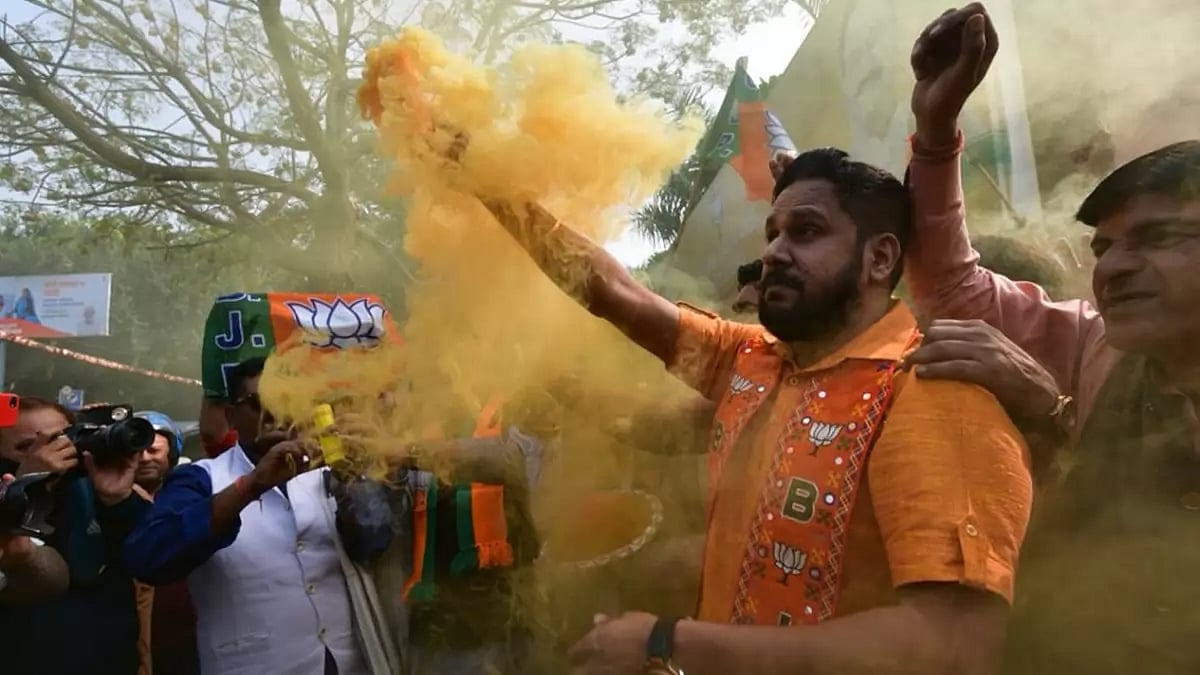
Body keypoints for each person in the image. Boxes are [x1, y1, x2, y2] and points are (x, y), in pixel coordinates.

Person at [465, 141, 1032, 673]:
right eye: (773, 232)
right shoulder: (756, 359)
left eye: (806, 232)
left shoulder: (933, 390)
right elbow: (614, 291)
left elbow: (955, 644)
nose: (773, 253)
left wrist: (668, 639)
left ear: (879, 259)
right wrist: (486, 180)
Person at [902, 5, 1200, 673]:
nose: (1114, 267)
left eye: (1156, 238)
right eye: (1105, 247)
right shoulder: (1102, 346)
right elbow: (953, 293)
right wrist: (933, 128)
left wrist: (1052, 412)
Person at [123, 357, 396, 675]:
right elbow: (148, 558)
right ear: (231, 415)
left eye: (286, 400)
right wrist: (251, 486)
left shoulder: (328, 472)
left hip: (346, 665)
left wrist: (355, 480)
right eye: (257, 402)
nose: (274, 414)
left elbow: (374, 546)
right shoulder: (202, 478)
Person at [0, 396, 147, 675]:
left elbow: (159, 561)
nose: (50, 453)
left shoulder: (101, 494)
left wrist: (120, 500)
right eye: (26, 447)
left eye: (61, 440)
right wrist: (25, 489)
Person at [131, 410, 200, 675]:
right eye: (137, 451)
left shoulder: (189, 497)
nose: (144, 458)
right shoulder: (109, 501)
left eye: (153, 451)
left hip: (182, 633)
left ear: (171, 454)